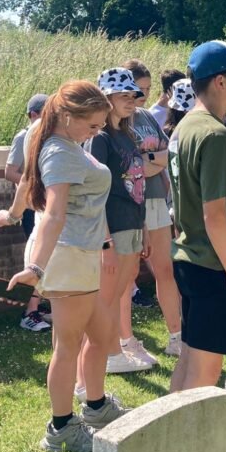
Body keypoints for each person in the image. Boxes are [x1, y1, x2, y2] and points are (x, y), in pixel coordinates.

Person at [4, 81, 130, 452]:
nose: (96, 132)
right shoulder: (59, 151)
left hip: (80, 253)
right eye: (92, 125)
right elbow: (54, 214)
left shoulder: (58, 141)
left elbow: (27, 185)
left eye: (100, 125)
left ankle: (96, 406)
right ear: (67, 115)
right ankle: (61, 428)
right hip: (67, 255)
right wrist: (36, 268)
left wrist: (12, 214)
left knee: (102, 334)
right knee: (67, 345)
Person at [168, 40, 226, 391]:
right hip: (215, 264)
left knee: (190, 358)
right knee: (206, 373)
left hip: (190, 257)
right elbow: (215, 215)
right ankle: (186, 429)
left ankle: (168, 424)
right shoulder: (216, 135)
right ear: (220, 81)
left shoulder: (184, 128)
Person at [84, 68, 153, 375]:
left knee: (121, 289)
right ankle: (110, 353)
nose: (131, 100)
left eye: (133, 95)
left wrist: (144, 227)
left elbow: (137, 183)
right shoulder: (100, 139)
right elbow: (93, 192)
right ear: (106, 98)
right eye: (123, 95)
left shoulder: (127, 135)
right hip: (114, 225)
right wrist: (106, 241)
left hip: (133, 222)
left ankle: (114, 350)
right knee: (108, 297)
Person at [123, 59, 182, 357]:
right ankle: (125, 341)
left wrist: (146, 160)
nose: (143, 95)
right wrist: (150, 161)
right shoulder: (117, 120)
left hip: (157, 198)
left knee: (165, 268)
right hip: (131, 203)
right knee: (128, 273)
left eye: (147, 89)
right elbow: (130, 166)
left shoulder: (147, 116)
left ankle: (176, 336)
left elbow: (168, 152)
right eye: (138, 88)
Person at [5, 93, 51, 332]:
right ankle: (29, 313)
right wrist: (35, 186)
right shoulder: (24, 136)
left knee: (45, 259)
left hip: (46, 206)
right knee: (34, 259)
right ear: (33, 114)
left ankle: (38, 307)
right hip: (33, 206)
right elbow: (10, 171)